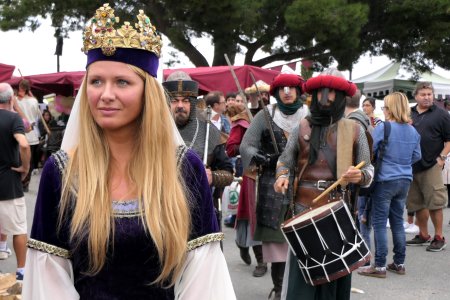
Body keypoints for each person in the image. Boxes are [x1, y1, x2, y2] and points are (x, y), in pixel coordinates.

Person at [22, 4, 235, 299]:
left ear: (147, 91)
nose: (105, 94)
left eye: (122, 81)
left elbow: (203, 278)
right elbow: (49, 280)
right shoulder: (61, 172)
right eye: (96, 81)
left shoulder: (184, 168)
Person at [274, 68, 373, 300]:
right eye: (321, 93)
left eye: (332, 93)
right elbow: (285, 160)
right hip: (303, 208)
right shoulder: (302, 127)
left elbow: (368, 169)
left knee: (335, 277)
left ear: (341, 97)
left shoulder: (354, 129)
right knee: (303, 280)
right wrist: (282, 176)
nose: (326, 98)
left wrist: (359, 176)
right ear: (314, 95)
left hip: (338, 210)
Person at [240, 73, 309, 299]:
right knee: (276, 241)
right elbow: (247, 146)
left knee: (303, 239)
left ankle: (298, 289)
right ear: (276, 92)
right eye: (282, 88)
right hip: (273, 184)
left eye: (291, 88)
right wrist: (265, 159)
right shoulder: (266, 115)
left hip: (303, 182)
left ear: (298, 91)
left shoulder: (309, 116)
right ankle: (279, 290)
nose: (287, 92)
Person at [358, 92, 421, 278]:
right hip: (404, 180)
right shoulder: (413, 131)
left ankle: (379, 266)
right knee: (397, 223)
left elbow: (372, 152)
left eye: (385, 107)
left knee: (379, 223)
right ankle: (399, 263)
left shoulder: (383, 128)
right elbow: (417, 156)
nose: (383, 110)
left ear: (390, 108)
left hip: (385, 179)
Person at [163, 72, 234, 230]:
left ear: (193, 104)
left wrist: (213, 177)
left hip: (202, 211)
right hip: (163, 212)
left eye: (186, 101)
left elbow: (229, 174)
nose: (180, 105)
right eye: (175, 100)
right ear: (167, 103)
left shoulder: (209, 131)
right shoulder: (153, 130)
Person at [405, 82, 450, 252]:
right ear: (415, 96)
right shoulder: (408, 112)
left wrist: (441, 158)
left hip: (431, 164)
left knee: (435, 202)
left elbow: (449, 140)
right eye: (423, 94)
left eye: (429, 94)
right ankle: (423, 235)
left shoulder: (442, 114)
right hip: (410, 165)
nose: (427, 97)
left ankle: (439, 237)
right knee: (416, 203)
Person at [225, 98, 265, 277]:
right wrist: (249, 147)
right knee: (252, 216)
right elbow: (231, 149)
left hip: (272, 173)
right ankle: (260, 260)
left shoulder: (270, 119)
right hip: (253, 173)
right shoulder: (240, 125)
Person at [0, 82, 31, 280]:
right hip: (8, 183)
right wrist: (25, 168)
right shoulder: (13, 119)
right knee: (18, 229)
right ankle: (21, 272)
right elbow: (24, 145)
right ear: (11, 99)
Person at [344, 89, 373, 255]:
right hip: (355, 177)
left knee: (354, 219)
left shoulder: (354, 122)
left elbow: (361, 159)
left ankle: (359, 254)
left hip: (352, 177)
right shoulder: (363, 118)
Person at [15, 79, 41, 192]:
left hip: (18, 132)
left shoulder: (15, 99)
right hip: (32, 134)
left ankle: (19, 182)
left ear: (20, 87)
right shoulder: (34, 101)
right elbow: (36, 117)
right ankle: (26, 183)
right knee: (29, 160)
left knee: (18, 159)